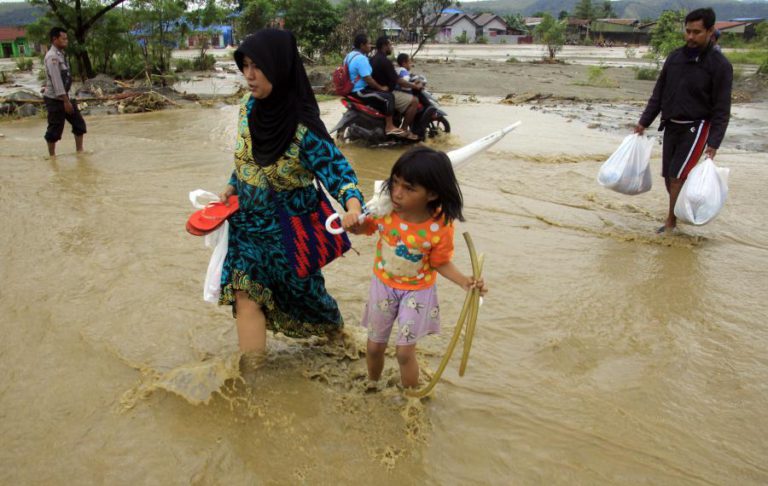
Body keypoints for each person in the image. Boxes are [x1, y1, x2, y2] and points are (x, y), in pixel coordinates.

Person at [218, 30, 364, 369]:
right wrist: (232, 184)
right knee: (245, 293)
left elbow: (337, 170)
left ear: (280, 68)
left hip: (290, 235)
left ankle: (340, 339)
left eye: (259, 67)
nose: (249, 75)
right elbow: (245, 158)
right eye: (246, 65)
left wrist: (353, 205)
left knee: (312, 302)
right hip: (248, 228)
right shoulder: (246, 108)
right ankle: (252, 383)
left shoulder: (302, 128)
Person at [347, 147, 488, 390]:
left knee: (403, 353)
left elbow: (439, 262)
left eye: (409, 188)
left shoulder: (440, 225)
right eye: (395, 183)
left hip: (417, 292)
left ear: (432, 194)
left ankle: (410, 399)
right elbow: (363, 228)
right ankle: (372, 386)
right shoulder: (385, 210)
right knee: (374, 346)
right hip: (383, 287)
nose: (397, 194)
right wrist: (351, 222)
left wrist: (465, 281)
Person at [634, 8, 732, 234]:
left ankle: (671, 223)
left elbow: (722, 109)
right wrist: (644, 121)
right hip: (671, 124)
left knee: (677, 175)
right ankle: (687, 207)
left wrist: (714, 143)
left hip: (697, 126)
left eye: (696, 32)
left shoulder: (720, 65)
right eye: (687, 31)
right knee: (669, 178)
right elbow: (658, 93)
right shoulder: (675, 58)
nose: (690, 37)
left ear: (710, 31)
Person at [344, 34, 417, 141]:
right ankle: (390, 126)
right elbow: (369, 78)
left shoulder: (351, 56)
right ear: (362, 45)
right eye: (368, 43)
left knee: (387, 95)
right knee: (389, 97)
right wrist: (381, 88)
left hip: (352, 89)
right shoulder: (363, 59)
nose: (370, 46)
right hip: (360, 90)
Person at [43, 27, 86, 157]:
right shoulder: (52, 57)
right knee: (55, 129)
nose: (66, 41)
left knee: (79, 125)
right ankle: (52, 157)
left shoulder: (61, 55)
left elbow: (62, 77)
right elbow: (56, 81)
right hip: (56, 99)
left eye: (67, 38)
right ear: (54, 39)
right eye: (63, 38)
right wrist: (65, 101)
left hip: (67, 96)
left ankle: (80, 152)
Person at [370, 36, 423, 135]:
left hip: (377, 91)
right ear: (384, 46)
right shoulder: (385, 61)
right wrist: (414, 86)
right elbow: (399, 81)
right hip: (387, 92)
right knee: (414, 101)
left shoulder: (373, 59)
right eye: (389, 45)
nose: (391, 47)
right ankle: (403, 129)